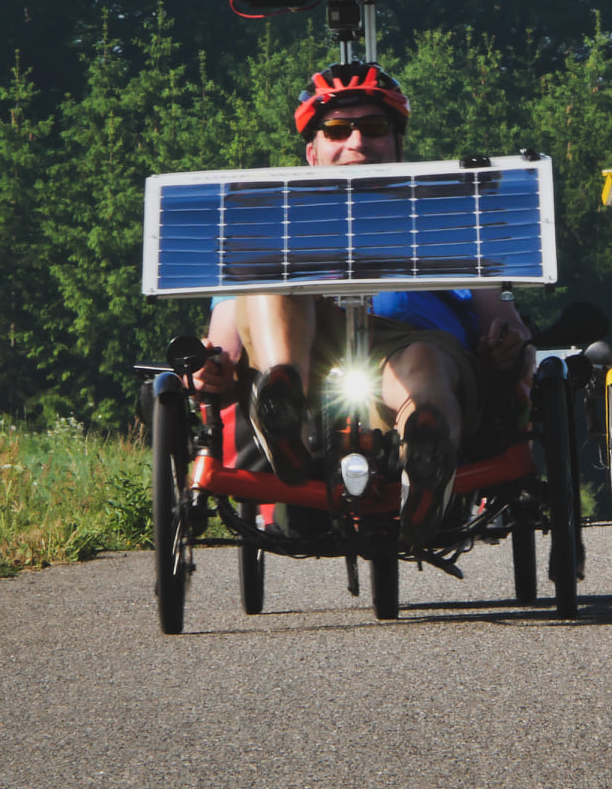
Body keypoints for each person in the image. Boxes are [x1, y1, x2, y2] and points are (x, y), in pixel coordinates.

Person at [191, 62, 532, 547]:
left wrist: (506, 343)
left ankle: (425, 458)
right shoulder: (270, 223)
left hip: (412, 346)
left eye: (373, 128)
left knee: (425, 361)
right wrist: (210, 367)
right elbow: (225, 340)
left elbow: (504, 321)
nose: (356, 142)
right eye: (336, 130)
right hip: (308, 358)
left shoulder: (450, 219)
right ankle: (282, 409)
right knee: (273, 278)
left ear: (397, 144)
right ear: (312, 151)